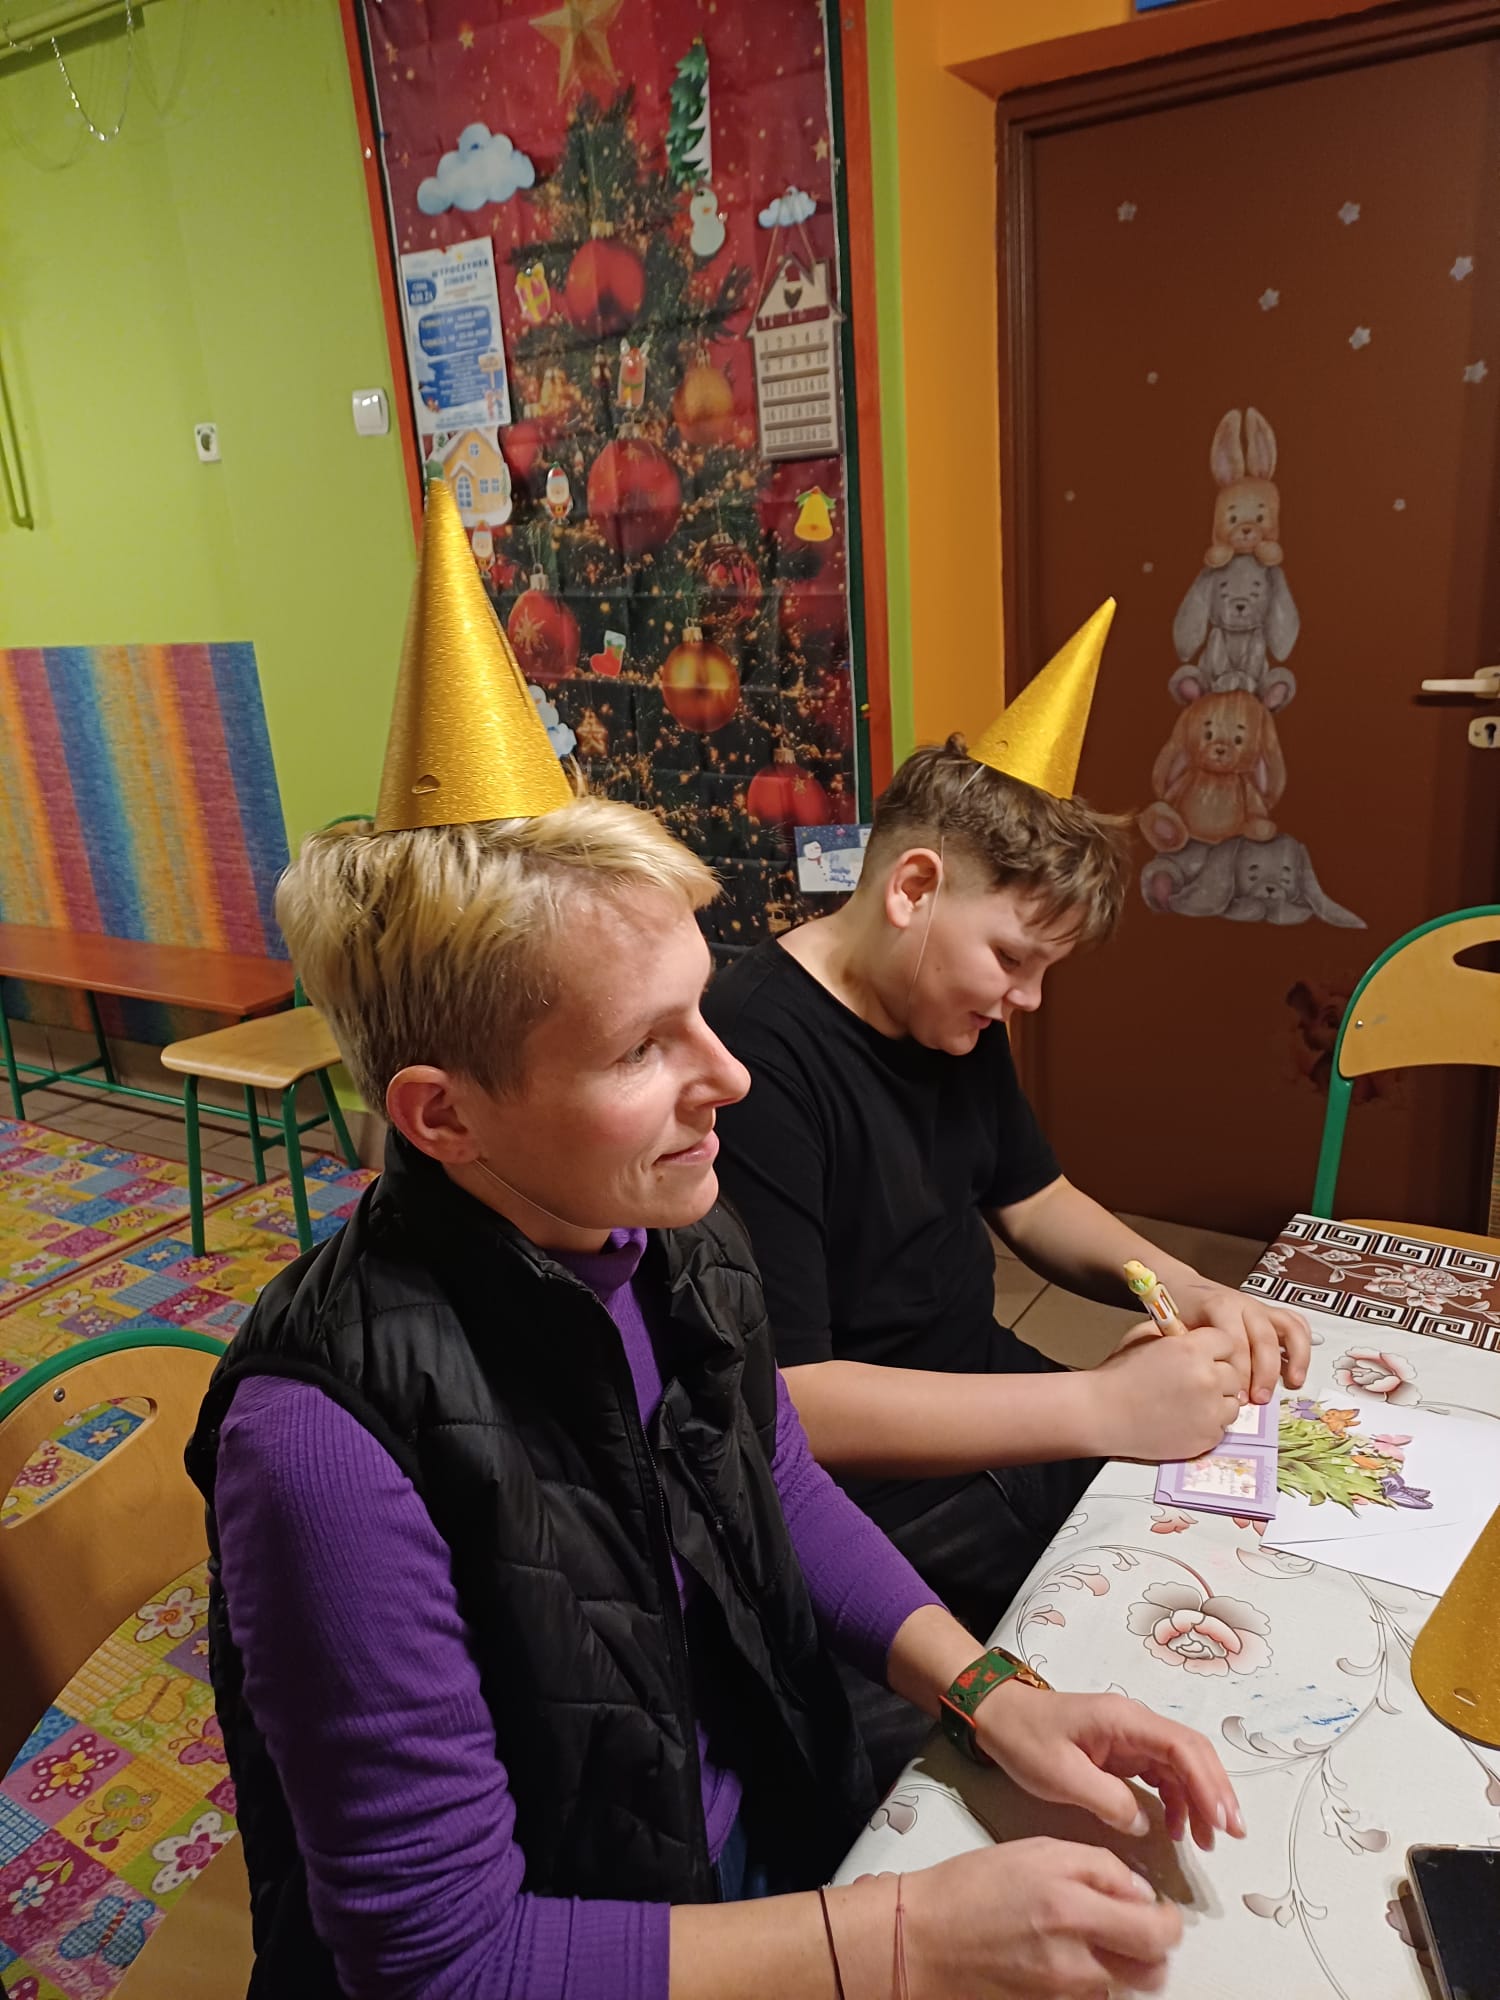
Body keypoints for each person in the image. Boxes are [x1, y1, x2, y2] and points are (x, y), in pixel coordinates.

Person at [185, 494, 1244, 1999]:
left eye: (703, 1004)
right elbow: (445, 1963)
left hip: (743, 1818)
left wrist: (992, 1691)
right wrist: (902, 1937)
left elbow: (774, 1480)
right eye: (645, 1046)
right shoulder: (322, 1451)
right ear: (444, 1115)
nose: (731, 1074)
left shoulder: (669, 1236)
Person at [704, 602, 1312, 1782]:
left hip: (985, 1391)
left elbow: (1033, 1199)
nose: (1024, 1000)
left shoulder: (948, 1008)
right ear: (913, 886)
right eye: (1014, 959)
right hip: (861, 1489)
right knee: (1076, 1706)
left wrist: (1183, 1285)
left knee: (1224, 1576)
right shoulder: (755, 1052)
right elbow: (797, 1405)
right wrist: (1097, 1406)